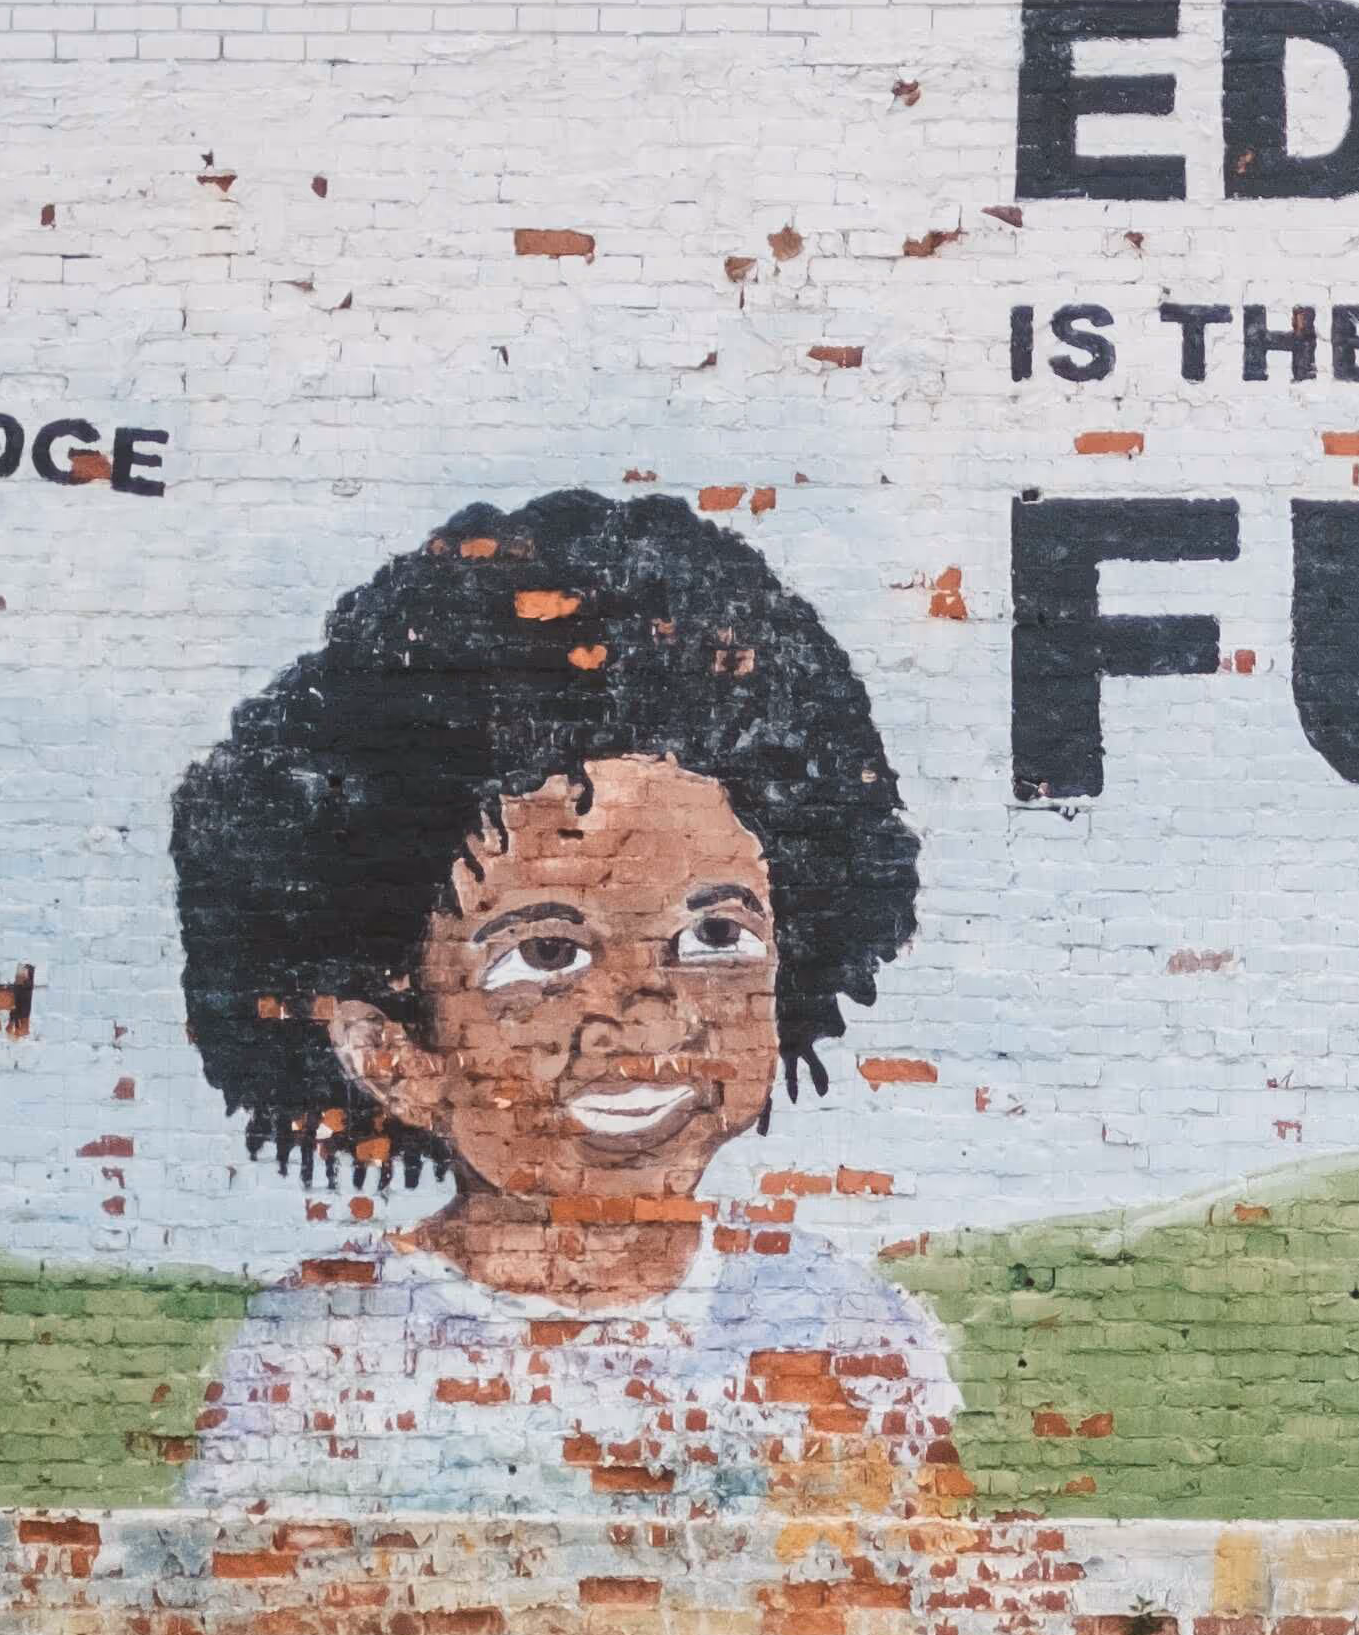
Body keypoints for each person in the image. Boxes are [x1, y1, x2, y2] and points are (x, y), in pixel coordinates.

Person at [169, 489, 957, 1509]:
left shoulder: (850, 1334)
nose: (646, 1014)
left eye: (716, 936)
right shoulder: (330, 1359)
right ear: (389, 1050)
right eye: (544, 954)